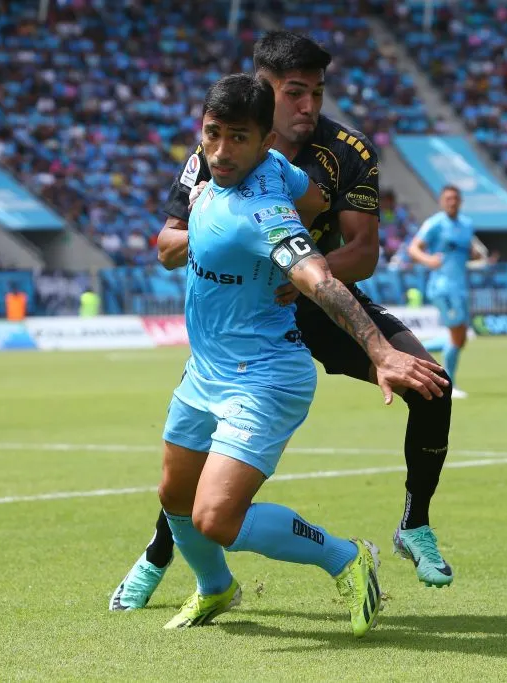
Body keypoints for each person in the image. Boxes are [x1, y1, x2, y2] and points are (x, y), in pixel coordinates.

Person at [111, 32, 455, 613]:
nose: (309, 106)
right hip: (231, 333)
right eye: (296, 92)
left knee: (431, 384)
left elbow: (345, 258)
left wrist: (292, 264)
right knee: (179, 487)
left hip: (303, 309)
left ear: (261, 138)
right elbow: (170, 243)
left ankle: (406, 528)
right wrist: (215, 229)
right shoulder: (228, 155)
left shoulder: (330, 161)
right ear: (263, 93)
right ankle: (177, 565)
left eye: (317, 93)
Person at [406, 185, 480, 399]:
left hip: (460, 287)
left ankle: (414, 350)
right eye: (448, 198)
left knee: (460, 339)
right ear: (441, 201)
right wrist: (428, 260)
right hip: (442, 287)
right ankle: (449, 385)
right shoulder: (435, 223)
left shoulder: (467, 224)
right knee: (456, 335)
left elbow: (466, 250)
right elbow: (413, 248)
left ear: (460, 201)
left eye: (455, 198)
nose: (452, 202)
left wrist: (475, 255)